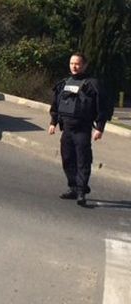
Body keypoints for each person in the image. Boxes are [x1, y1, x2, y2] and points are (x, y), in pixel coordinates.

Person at [48, 52, 109, 206]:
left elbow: (102, 107)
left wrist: (100, 128)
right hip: (67, 129)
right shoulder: (64, 83)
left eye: (77, 64)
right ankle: (73, 187)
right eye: (71, 63)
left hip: (82, 129)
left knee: (83, 160)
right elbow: (55, 104)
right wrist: (53, 122)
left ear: (84, 65)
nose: (74, 66)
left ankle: (81, 191)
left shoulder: (92, 84)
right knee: (67, 159)